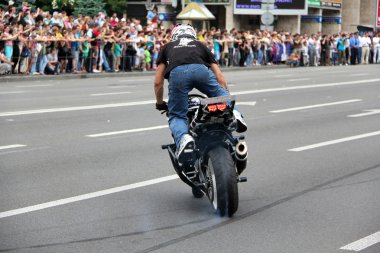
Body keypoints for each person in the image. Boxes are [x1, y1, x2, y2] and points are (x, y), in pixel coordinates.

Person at [153, 24, 247, 162]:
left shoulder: (168, 46)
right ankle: (236, 115)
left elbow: (157, 82)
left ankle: (184, 139)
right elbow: (220, 77)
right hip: (201, 71)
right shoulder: (200, 45)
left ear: (174, 35)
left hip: (178, 74)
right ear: (192, 35)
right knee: (222, 97)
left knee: (177, 115)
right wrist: (224, 95)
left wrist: (160, 103)